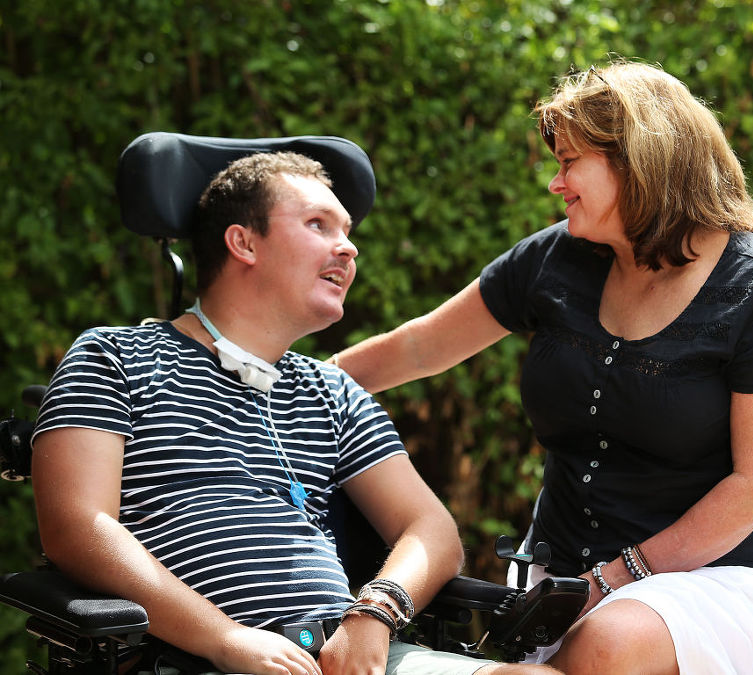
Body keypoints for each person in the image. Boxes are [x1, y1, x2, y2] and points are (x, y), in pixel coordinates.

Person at [329, 60, 753, 675]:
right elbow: (419, 348)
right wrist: (293, 383)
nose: (556, 183)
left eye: (569, 162)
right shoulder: (556, 258)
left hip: (721, 576)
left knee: (606, 645)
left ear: (639, 162)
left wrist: (613, 579)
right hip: (565, 577)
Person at [30, 150, 561, 675]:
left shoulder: (331, 390)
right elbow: (77, 526)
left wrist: (375, 613)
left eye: (347, 231)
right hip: (187, 656)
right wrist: (225, 638)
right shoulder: (115, 357)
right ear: (243, 242)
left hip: (341, 654)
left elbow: (433, 530)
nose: (348, 247)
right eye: (318, 224)